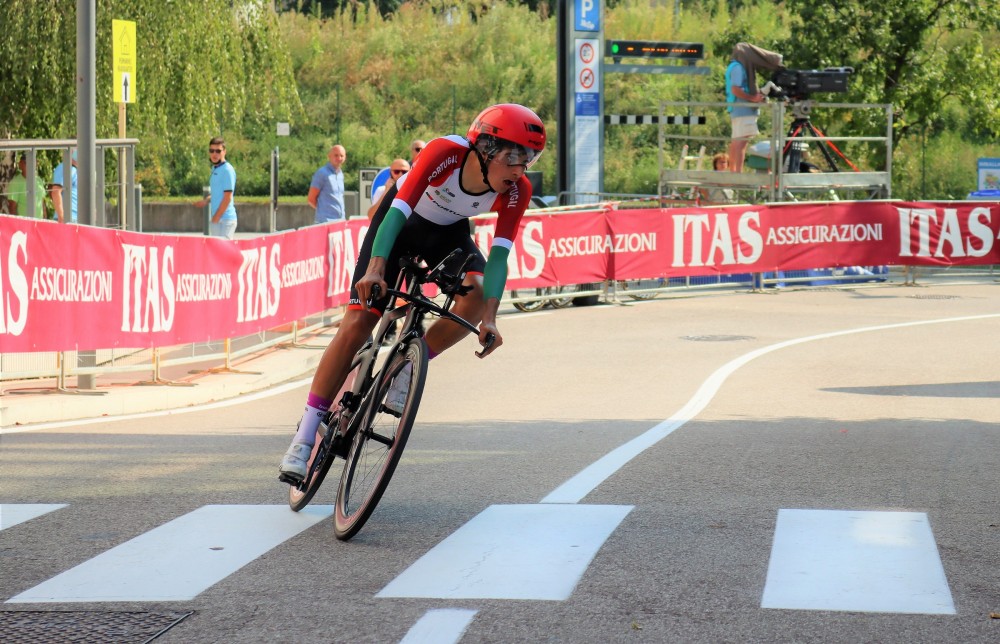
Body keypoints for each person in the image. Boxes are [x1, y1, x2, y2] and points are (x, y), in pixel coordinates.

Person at [279, 103, 546, 482]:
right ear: (485, 148)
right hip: (399, 223)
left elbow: (500, 257)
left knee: (479, 289)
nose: (521, 169)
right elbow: (397, 212)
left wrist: (490, 317)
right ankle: (304, 436)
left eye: (530, 159)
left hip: (448, 234)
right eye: (514, 156)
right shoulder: (445, 154)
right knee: (359, 321)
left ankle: (406, 366)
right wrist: (375, 269)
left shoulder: (518, 190)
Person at [725, 42, 783, 173]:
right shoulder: (739, 68)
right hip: (743, 110)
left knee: (737, 142)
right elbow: (736, 89)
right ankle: (737, 174)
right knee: (741, 143)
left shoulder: (733, 66)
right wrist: (753, 99)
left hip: (738, 110)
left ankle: (733, 172)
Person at [193, 137, 238, 239]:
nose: (214, 154)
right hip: (218, 219)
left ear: (224, 152)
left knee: (222, 253)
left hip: (225, 220)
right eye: (211, 151)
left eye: (218, 151)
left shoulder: (227, 170)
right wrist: (206, 201)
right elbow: (218, 193)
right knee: (217, 253)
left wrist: (216, 217)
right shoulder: (215, 168)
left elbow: (227, 197)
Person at [309, 144, 347, 223]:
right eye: (336, 155)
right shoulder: (322, 173)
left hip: (340, 221)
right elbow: (311, 199)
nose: (339, 158)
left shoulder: (340, 174)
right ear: (329, 156)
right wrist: (324, 211)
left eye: (341, 156)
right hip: (325, 222)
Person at [8, 154, 47, 218]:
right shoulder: (15, 183)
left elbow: (42, 203)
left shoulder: (39, 180)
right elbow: (12, 208)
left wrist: (45, 220)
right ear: (20, 164)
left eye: (33, 163)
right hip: (24, 225)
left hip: (39, 224)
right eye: (27, 163)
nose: (30, 166)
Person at [50, 149, 78, 223]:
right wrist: (61, 216)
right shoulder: (64, 167)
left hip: (77, 219)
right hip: (67, 219)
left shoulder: (77, 170)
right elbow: (56, 192)